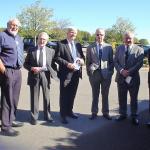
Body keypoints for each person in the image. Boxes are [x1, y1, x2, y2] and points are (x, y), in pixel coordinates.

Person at [24, 32, 58, 125]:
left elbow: (53, 65)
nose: (42, 41)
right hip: (34, 75)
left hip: (45, 76)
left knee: (47, 97)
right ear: (37, 39)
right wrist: (31, 68)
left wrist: (51, 70)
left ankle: (48, 116)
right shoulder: (31, 50)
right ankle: (34, 117)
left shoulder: (51, 51)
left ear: (47, 41)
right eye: (40, 38)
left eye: (44, 39)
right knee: (34, 97)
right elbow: (25, 64)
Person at [0, 18, 24, 136]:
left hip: (18, 70)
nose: (14, 27)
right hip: (7, 70)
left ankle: (11, 120)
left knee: (14, 98)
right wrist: (4, 70)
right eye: (12, 25)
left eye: (17, 26)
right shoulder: (2, 36)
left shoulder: (18, 37)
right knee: (7, 99)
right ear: (8, 25)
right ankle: (5, 127)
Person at [114, 31, 144, 125]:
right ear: (123, 39)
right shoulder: (119, 48)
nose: (128, 40)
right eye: (126, 38)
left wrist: (129, 72)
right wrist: (122, 71)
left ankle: (134, 116)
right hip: (121, 77)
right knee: (121, 97)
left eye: (130, 38)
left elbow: (139, 63)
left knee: (133, 98)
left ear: (133, 39)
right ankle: (123, 114)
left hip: (134, 78)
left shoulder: (139, 49)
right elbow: (115, 62)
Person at [56, 27, 85, 124]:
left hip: (76, 73)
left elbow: (82, 57)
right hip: (65, 74)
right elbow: (57, 57)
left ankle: (69, 112)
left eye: (75, 33)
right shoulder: (61, 44)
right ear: (67, 33)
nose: (73, 34)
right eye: (72, 32)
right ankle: (63, 115)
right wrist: (67, 64)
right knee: (64, 95)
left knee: (72, 94)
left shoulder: (78, 44)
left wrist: (81, 61)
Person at [86, 28, 114, 120]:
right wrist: (89, 73)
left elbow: (111, 62)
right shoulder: (90, 47)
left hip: (106, 75)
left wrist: (110, 73)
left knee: (105, 95)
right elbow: (88, 62)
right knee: (95, 94)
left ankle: (105, 112)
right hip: (94, 75)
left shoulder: (109, 47)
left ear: (104, 36)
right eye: (98, 34)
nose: (99, 36)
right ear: (95, 35)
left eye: (101, 34)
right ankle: (94, 112)